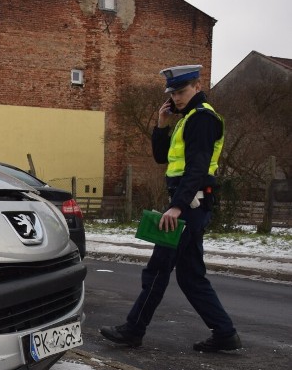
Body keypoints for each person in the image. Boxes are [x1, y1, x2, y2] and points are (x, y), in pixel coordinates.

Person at [100, 64, 242, 352]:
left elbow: (197, 168)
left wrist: (177, 207)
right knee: (190, 276)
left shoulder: (202, 119)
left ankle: (134, 329)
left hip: (188, 203)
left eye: (181, 91)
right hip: (191, 203)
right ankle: (225, 334)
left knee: (158, 269)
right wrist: (161, 125)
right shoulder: (187, 118)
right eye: (173, 93)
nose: (176, 98)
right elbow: (161, 157)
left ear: (197, 86)